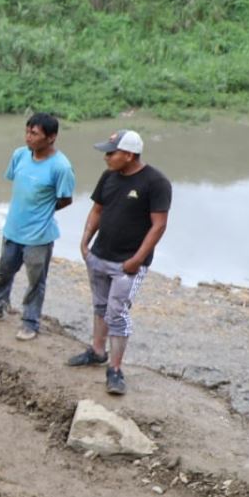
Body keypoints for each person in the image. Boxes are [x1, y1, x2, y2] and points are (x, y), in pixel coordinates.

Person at [68, 130, 170, 396]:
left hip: (127, 264)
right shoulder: (109, 177)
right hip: (99, 256)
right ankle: (97, 351)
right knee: (100, 307)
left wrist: (136, 260)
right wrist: (85, 243)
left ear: (129, 154)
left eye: (111, 153)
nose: (106, 157)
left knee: (118, 313)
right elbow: (97, 210)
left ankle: (115, 369)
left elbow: (158, 226)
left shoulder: (156, 182)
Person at [0, 113, 75, 341]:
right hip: (13, 229)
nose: (28, 138)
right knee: (3, 272)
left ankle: (30, 322)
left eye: (34, 134)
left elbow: (66, 199)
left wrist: (43, 212)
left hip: (39, 236)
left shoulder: (61, 167)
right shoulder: (19, 155)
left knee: (36, 282)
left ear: (51, 137)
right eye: (27, 132)